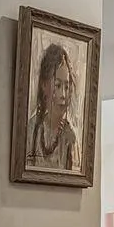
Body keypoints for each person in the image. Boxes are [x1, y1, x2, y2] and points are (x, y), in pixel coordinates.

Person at [25, 41, 80, 172]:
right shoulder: (31, 130)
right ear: (44, 85)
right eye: (58, 85)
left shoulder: (70, 138)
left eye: (67, 87)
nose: (63, 95)